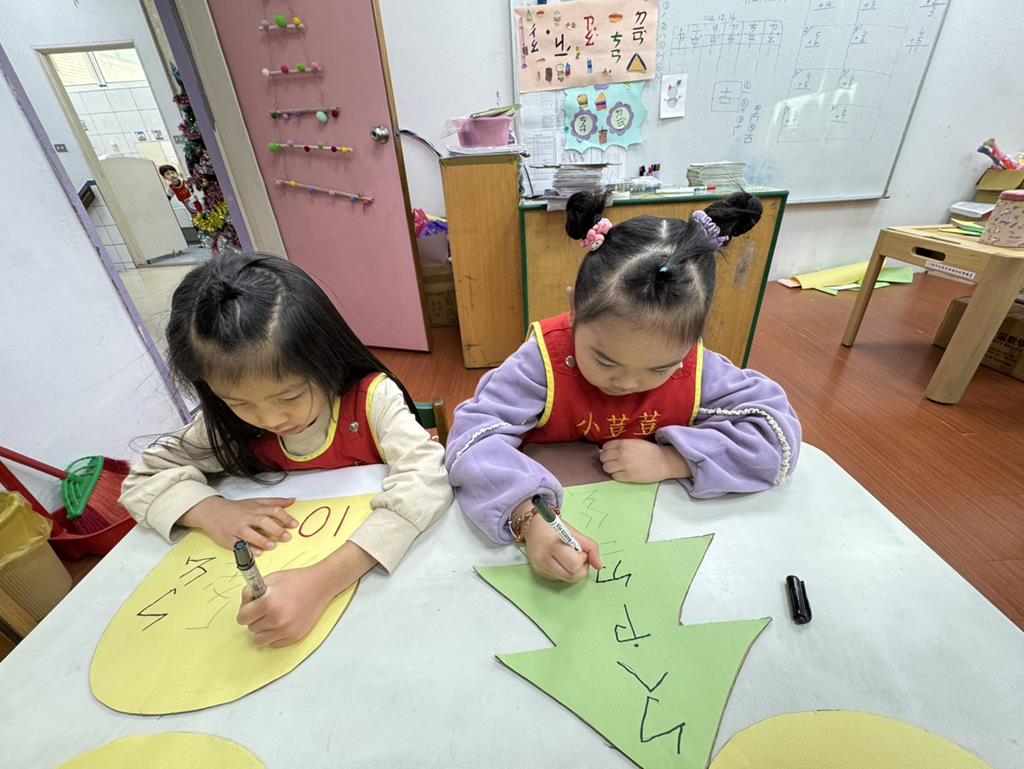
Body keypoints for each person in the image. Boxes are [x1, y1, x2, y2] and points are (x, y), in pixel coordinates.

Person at [446, 191, 800, 584]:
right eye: (605, 362)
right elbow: (472, 440)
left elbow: (776, 436)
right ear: (575, 310)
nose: (628, 383)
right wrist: (529, 517)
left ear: (692, 341)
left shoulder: (698, 368)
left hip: (660, 531)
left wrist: (673, 461)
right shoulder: (542, 363)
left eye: (660, 368)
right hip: (560, 515)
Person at [121, 253, 451, 646]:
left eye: (289, 397)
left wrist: (323, 581)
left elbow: (427, 480)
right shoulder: (227, 426)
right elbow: (142, 479)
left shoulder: (371, 401)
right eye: (238, 402)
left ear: (325, 358)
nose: (270, 419)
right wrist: (209, 511)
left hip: (382, 597)